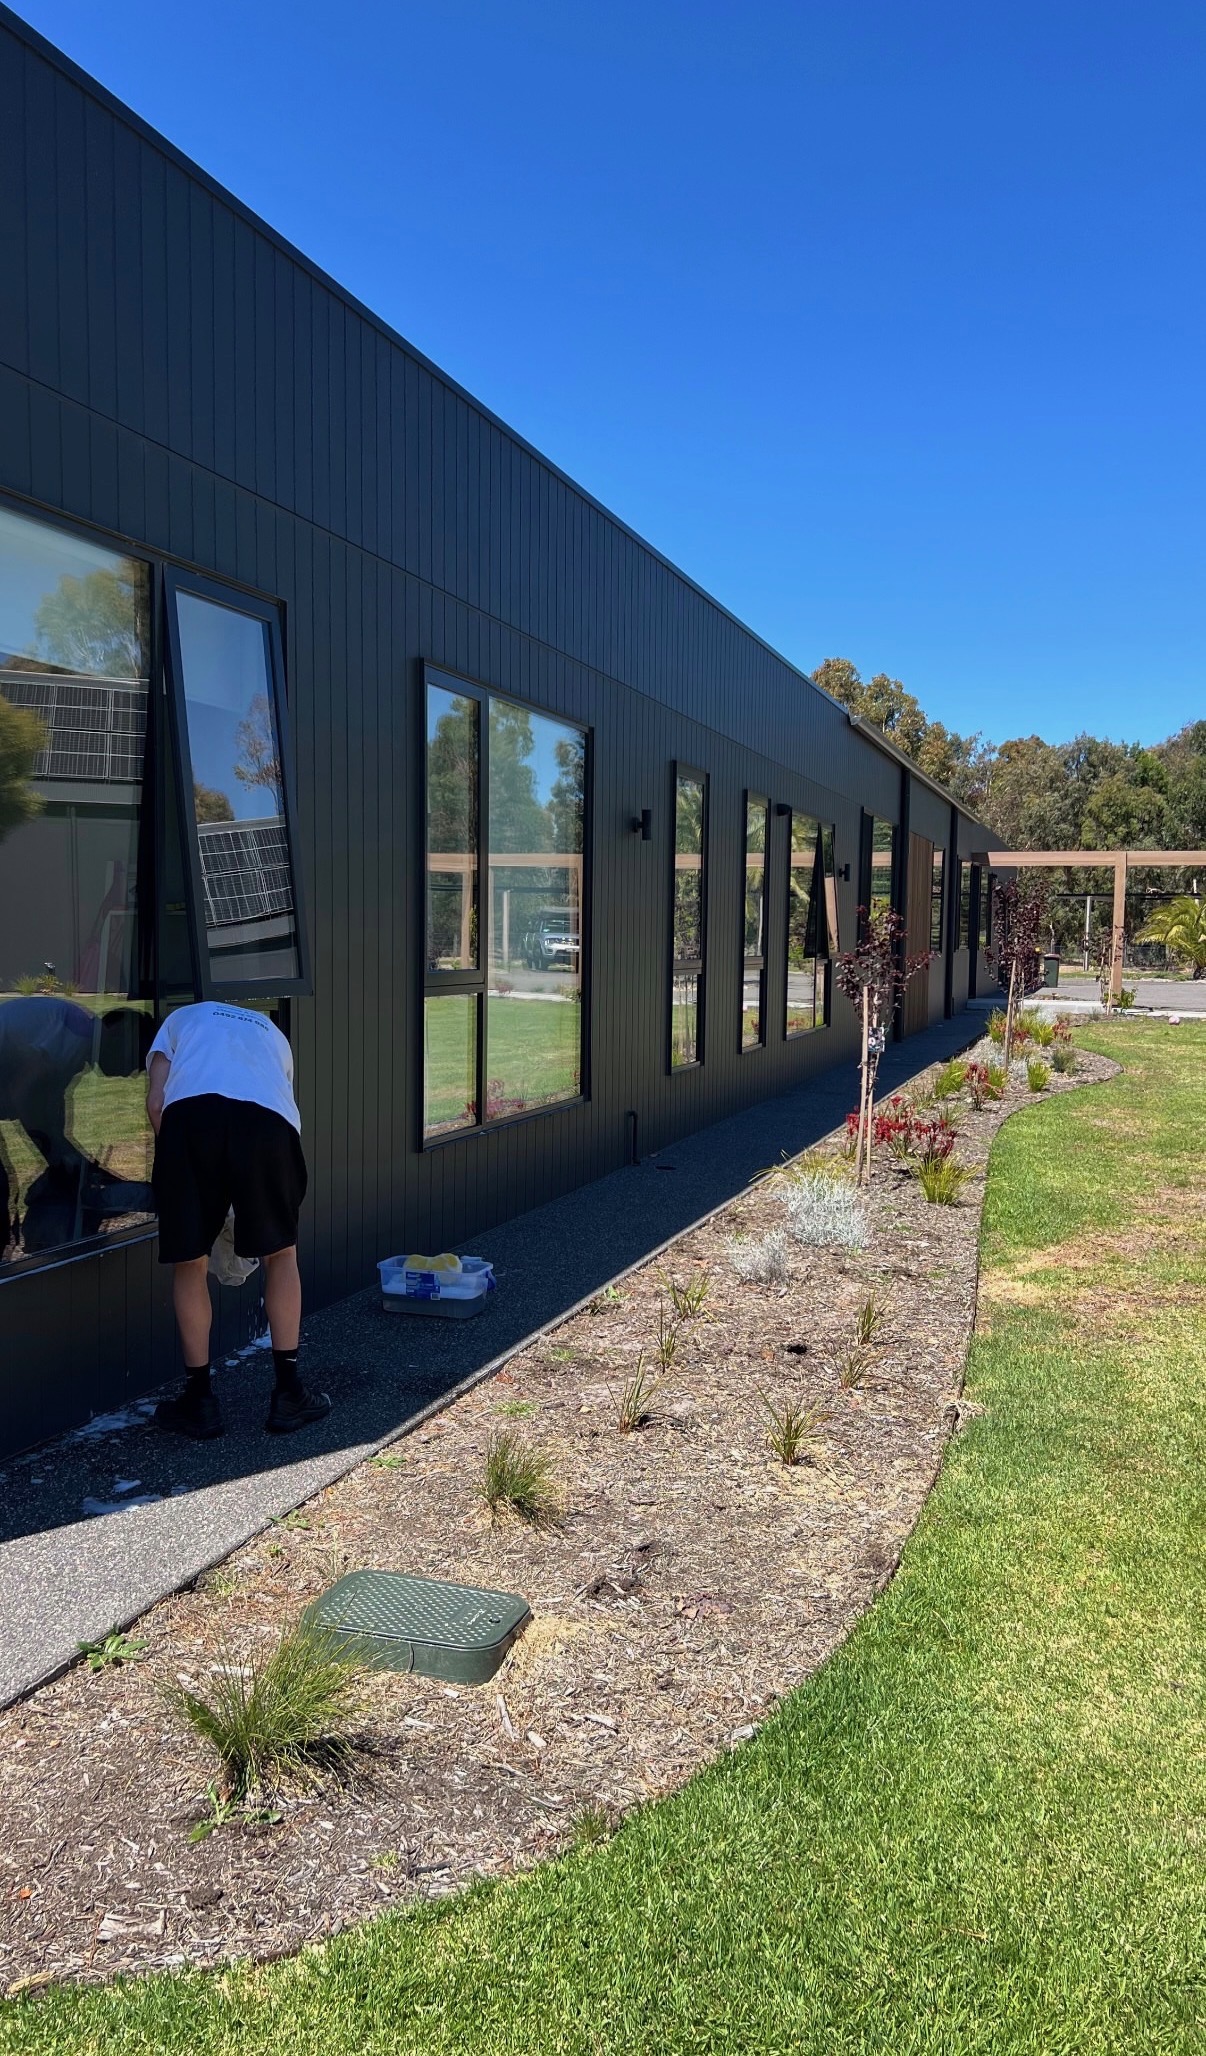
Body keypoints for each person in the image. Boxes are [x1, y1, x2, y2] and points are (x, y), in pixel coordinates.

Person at [145, 1000, 329, 1440]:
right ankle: (288, 1394)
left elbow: (156, 1102)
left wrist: (178, 1168)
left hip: (191, 1118)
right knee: (282, 1254)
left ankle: (200, 1402)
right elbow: (277, 1100)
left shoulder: (176, 1023)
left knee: (191, 1261)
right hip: (269, 1124)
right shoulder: (271, 1034)